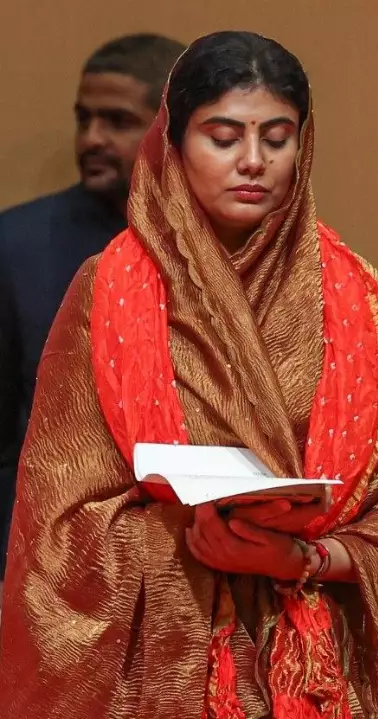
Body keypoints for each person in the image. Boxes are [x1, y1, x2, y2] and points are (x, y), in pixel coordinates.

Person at [0, 31, 378, 717]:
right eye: (223, 137)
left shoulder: (361, 300)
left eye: (277, 138)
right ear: (175, 143)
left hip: (322, 656)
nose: (253, 162)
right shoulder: (110, 292)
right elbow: (61, 523)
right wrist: (199, 542)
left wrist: (304, 559)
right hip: (163, 673)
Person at [0, 32, 184, 584]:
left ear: (173, 127)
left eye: (117, 121)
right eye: (84, 119)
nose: (92, 139)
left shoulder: (229, 248)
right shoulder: (17, 247)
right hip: (44, 560)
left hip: (196, 561)